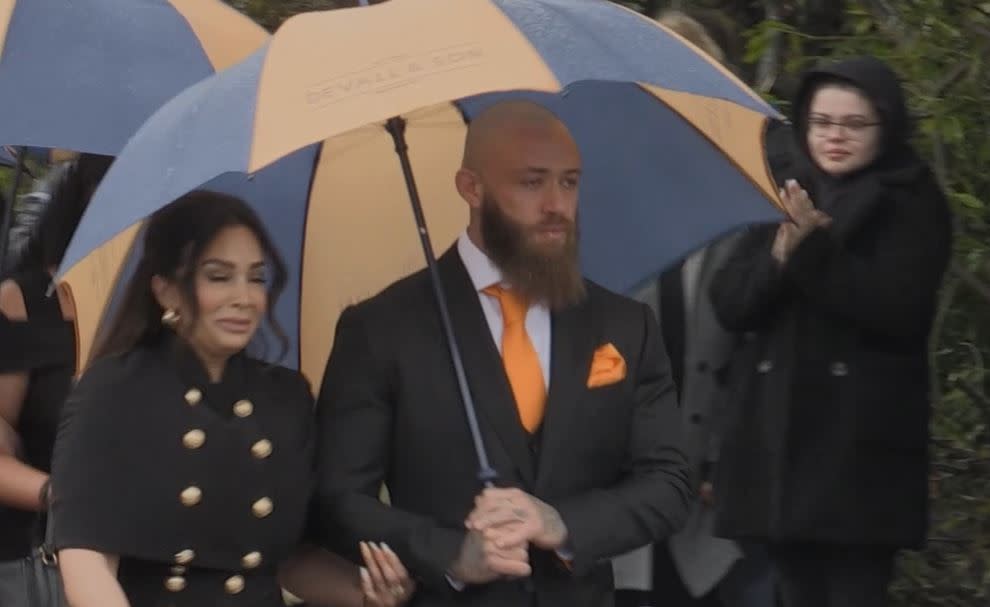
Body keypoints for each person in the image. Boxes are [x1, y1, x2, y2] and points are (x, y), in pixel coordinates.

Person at [312, 100, 692, 607]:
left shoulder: (625, 324)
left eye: (570, 182)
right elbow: (336, 500)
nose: (557, 204)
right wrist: (451, 555)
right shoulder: (381, 329)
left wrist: (560, 523)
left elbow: (668, 482)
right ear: (471, 188)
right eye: (532, 183)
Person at [49, 191, 415, 607]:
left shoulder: (286, 396)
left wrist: (367, 593)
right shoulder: (113, 390)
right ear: (166, 291)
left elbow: (290, 559)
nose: (244, 297)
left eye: (256, 277)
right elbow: (86, 559)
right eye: (219, 276)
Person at [708, 56, 952, 607]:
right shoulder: (780, 190)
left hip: (858, 456)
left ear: (884, 126)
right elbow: (729, 302)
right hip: (778, 447)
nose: (835, 136)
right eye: (821, 122)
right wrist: (778, 258)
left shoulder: (912, 199)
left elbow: (897, 309)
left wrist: (811, 253)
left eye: (853, 123)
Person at [616, 11, 781, 607]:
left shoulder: (757, 197)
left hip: (721, 495)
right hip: (621, 491)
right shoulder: (598, 196)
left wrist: (728, 457)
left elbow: (767, 344)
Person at [0, 154, 112, 604]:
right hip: (36, 559)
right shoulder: (23, 301)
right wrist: (59, 495)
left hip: (145, 558)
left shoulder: (168, 309)